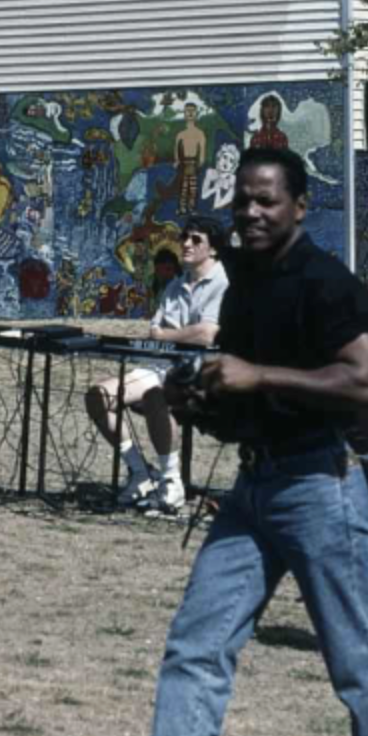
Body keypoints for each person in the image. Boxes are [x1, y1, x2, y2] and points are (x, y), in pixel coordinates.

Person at [123, 146, 368, 736]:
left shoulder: (328, 283)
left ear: (299, 207)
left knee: (354, 657)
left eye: (267, 201)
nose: (251, 213)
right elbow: (247, 395)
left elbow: (365, 386)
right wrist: (201, 401)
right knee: (196, 646)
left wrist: (255, 375)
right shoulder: (246, 283)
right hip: (253, 488)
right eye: (242, 201)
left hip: (319, 488)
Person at [83, 214, 227, 513]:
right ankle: (140, 473)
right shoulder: (175, 284)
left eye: (196, 240)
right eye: (184, 238)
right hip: (157, 366)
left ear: (213, 249)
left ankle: (171, 482)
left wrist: (168, 335)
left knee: (155, 396)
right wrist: (170, 335)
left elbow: (207, 334)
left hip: (200, 376)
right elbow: (154, 331)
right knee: (98, 396)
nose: (186, 244)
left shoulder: (222, 283)